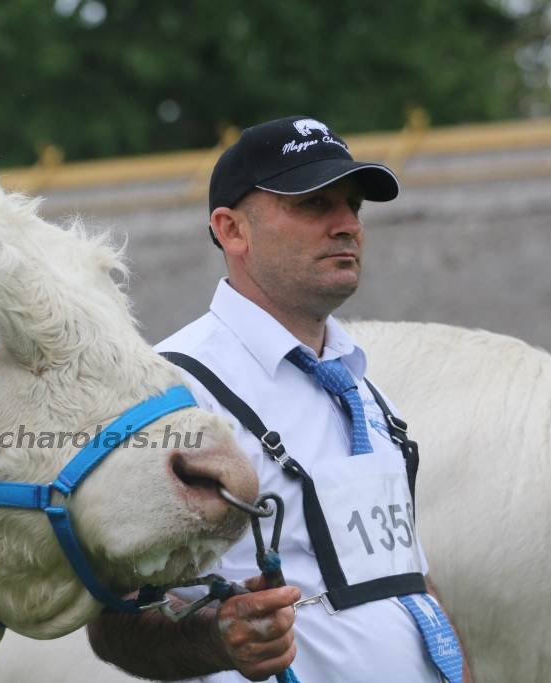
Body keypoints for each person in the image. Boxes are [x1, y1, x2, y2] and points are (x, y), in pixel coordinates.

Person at [87, 116, 471, 682]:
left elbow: (405, 581)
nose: (347, 226)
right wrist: (219, 640)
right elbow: (115, 624)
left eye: (354, 206)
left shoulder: (363, 389)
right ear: (232, 230)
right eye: (315, 204)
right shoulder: (173, 393)